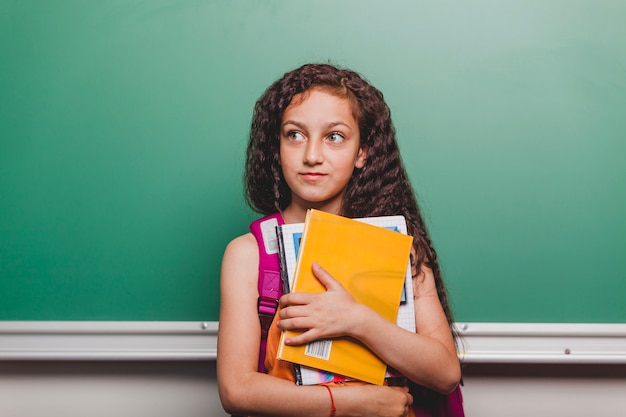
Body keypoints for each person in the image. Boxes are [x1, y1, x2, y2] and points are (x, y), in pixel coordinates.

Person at [217, 63, 461, 417]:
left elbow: (445, 373)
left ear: (363, 152)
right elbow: (236, 391)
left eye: (334, 136)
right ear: (277, 147)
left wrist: (357, 320)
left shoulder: (399, 249)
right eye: (295, 134)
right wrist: (352, 403)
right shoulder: (248, 255)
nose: (312, 155)